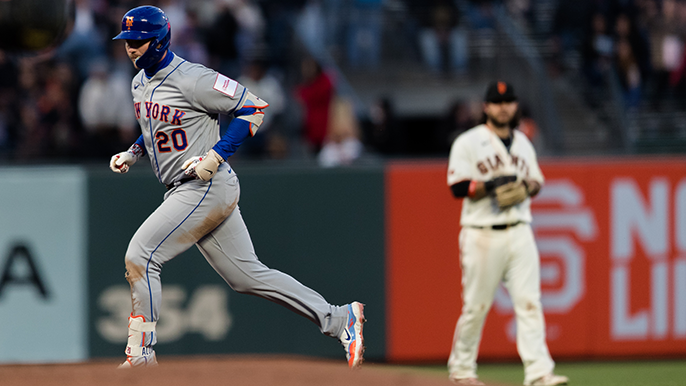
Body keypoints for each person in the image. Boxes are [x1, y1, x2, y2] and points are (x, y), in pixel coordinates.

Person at [107, 6, 365, 368]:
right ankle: (339, 319)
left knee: (141, 255)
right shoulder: (139, 82)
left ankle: (141, 353)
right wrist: (134, 152)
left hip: (204, 186)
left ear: (161, 39)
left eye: (138, 40)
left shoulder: (194, 78)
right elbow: (156, 125)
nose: (131, 48)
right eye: (127, 41)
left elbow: (254, 108)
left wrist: (215, 155)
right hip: (186, 188)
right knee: (247, 277)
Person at [445, 81, 568, 386]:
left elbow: (536, 181)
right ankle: (461, 370)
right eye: (497, 102)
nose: (503, 107)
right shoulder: (468, 142)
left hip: (520, 230)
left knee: (529, 302)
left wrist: (525, 187)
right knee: (476, 306)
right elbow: (457, 187)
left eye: (509, 101)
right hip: (481, 233)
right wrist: (491, 185)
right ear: (486, 107)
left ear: (515, 106)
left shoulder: (524, 142)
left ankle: (539, 372)